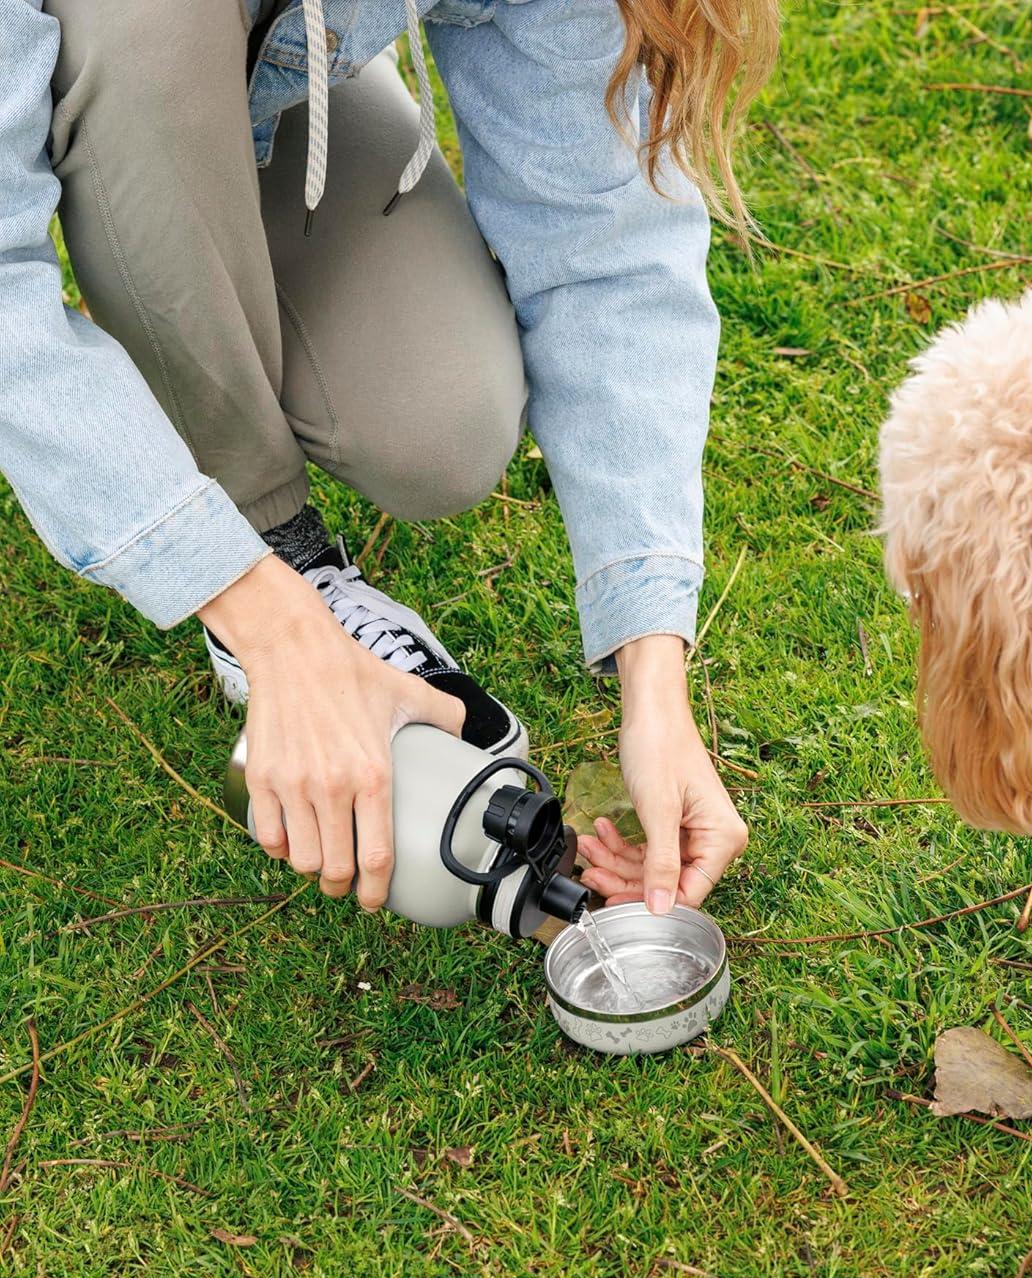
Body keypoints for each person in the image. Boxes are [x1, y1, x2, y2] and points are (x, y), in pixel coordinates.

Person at [0, 0, 770, 915]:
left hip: (261, 70)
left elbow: (602, 242)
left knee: (441, 422)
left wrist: (654, 679)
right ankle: (270, 545)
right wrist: (280, 626)